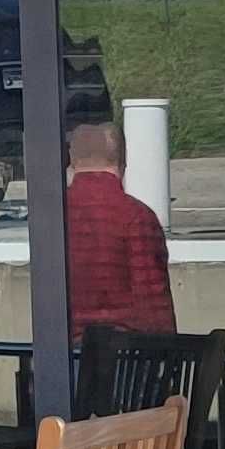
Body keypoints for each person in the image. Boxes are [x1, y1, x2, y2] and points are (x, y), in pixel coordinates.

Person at [61, 114, 175, 333]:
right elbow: (152, 302)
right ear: (123, 161)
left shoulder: (53, 216)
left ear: (72, 161)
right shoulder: (136, 215)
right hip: (123, 356)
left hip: (63, 352)